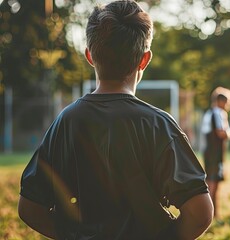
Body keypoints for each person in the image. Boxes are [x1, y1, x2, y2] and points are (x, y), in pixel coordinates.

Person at [18, 1, 213, 239]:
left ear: (89, 56)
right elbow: (200, 212)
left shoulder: (67, 121)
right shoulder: (158, 124)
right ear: (145, 59)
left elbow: (30, 207)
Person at [201, 87, 230, 218]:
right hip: (214, 154)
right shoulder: (218, 113)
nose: (227, 106)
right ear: (221, 101)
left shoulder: (209, 113)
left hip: (210, 152)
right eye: (227, 103)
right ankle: (212, 214)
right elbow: (221, 133)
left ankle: (212, 213)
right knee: (213, 183)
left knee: (212, 182)